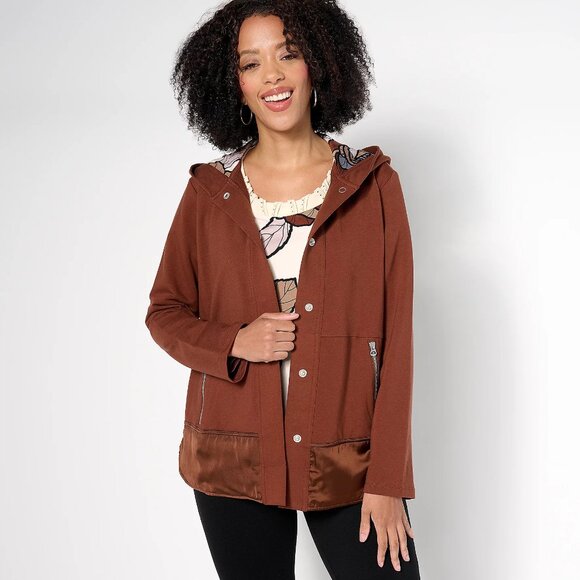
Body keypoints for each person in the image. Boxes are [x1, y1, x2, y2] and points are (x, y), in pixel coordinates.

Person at [145, 0, 421, 578]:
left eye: (287, 55)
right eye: (251, 64)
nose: (271, 75)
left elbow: (398, 340)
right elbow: (165, 311)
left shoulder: (371, 183)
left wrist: (388, 479)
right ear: (235, 86)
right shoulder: (209, 192)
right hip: (233, 457)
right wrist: (233, 342)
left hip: (347, 458)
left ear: (317, 64)